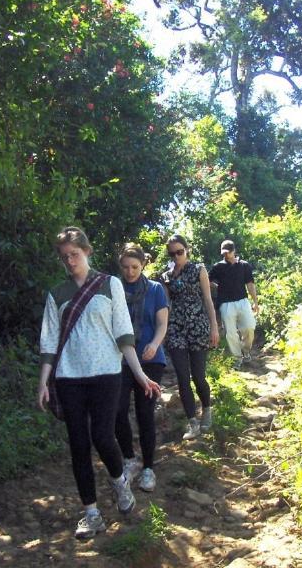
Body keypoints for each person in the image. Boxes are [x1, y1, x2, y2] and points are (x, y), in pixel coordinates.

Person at [37, 227, 162, 540]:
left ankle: (119, 481)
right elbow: (49, 340)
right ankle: (91, 513)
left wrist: (139, 373)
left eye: (75, 255)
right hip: (69, 377)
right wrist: (43, 382)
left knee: (103, 435)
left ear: (87, 252)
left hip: (107, 373)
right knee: (78, 443)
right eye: (65, 257)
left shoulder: (110, 284)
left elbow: (123, 334)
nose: (70, 261)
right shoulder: (57, 294)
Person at [115, 243, 169, 493]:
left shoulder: (156, 289)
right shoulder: (113, 288)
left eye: (135, 267)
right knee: (117, 410)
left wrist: (155, 343)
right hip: (119, 359)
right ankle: (129, 459)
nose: (130, 272)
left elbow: (161, 324)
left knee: (145, 412)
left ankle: (149, 467)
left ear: (143, 265)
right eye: (125, 267)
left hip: (150, 358)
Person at [160, 234, 219, 440]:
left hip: (197, 326)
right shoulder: (166, 276)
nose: (176, 256)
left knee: (198, 376)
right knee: (183, 378)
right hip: (176, 328)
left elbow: (208, 300)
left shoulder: (198, 269)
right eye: (172, 253)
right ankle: (192, 422)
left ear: (187, 250)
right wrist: (163, 332)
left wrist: (214, 327)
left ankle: (207, 409)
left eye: (179, 251)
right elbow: (166, 306)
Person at [208, 239, 259, 365]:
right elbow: (206, 280)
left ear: (234, 251)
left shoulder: (244, 265)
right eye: (224, 253)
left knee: (249, 327)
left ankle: (245, 351)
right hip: (225, 303)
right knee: (230, 333)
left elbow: (250, 284)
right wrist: (217, 286)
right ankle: (237, 359)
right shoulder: (218, 267)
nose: (226, 255)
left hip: (243, 300)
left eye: (228, 252)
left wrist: (255, 302)